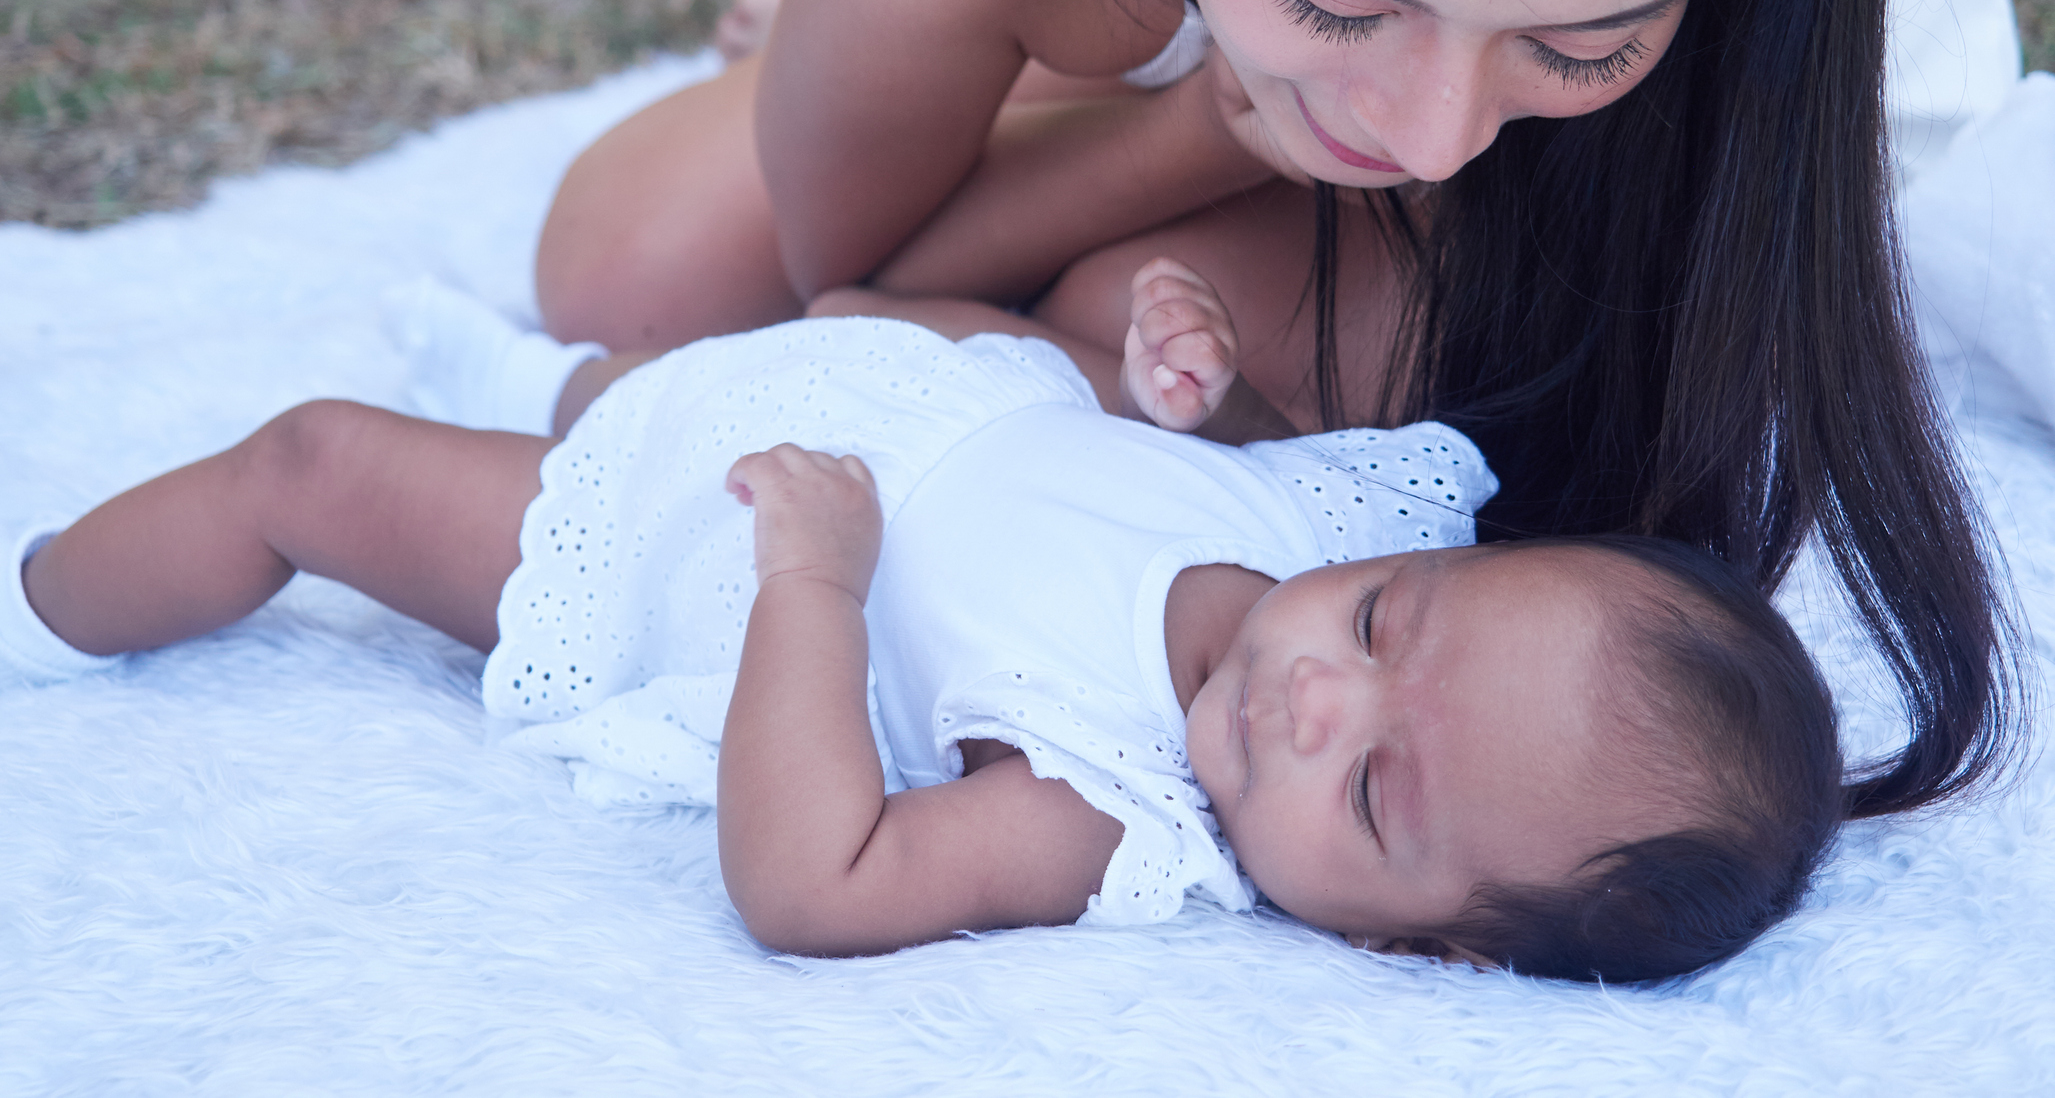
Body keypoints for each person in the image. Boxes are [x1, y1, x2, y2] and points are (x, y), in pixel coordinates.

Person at [533, 0, 2024, 817]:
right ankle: (1027, 36)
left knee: (1206, 353)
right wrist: (1186, 124)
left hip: (1573, 153)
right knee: (628, 270)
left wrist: (1354, 68)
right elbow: (856, 288)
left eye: (1584, 41)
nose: (1428, 132)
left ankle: (1137, 43)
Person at [4, 268, 1839, 983]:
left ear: (1432, 949)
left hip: (702, 555)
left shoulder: (1101, 802)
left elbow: (821, 880)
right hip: (878, 388)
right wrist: (1180, 379)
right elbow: (1225, 480)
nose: (1313, 702)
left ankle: (47, 594)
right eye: (1382, 626)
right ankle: (536, 368)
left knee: (321, 467)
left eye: (1374, 799)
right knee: (665, 376)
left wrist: (813, 580)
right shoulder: (1315, 528)